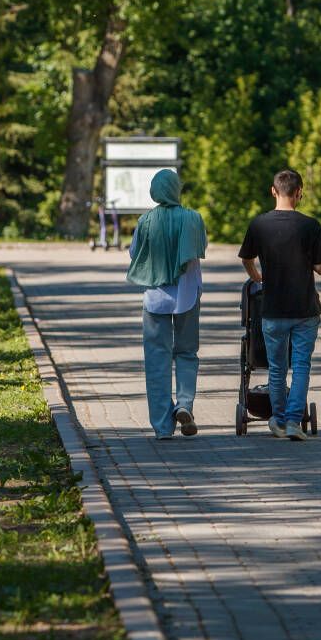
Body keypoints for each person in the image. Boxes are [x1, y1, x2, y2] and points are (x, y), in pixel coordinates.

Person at [239, 169, 321, 441]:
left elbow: (246, 258)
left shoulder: (259, 224)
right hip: (305, 309)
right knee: (301, 366)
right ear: (299, 192)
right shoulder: (310, 226)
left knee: (277, 368)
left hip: (273, 308)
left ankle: (277, 420)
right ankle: (293, 421)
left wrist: (257, 276)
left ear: (273, 191)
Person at [127, 169, 208, 440]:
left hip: (155, 299)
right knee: (187, 352)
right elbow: (201, 248)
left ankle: (163, 426)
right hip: (187, 295)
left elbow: (134, 253)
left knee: (156, 359)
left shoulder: (145, 220)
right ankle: (184, 404)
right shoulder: (193, 218)